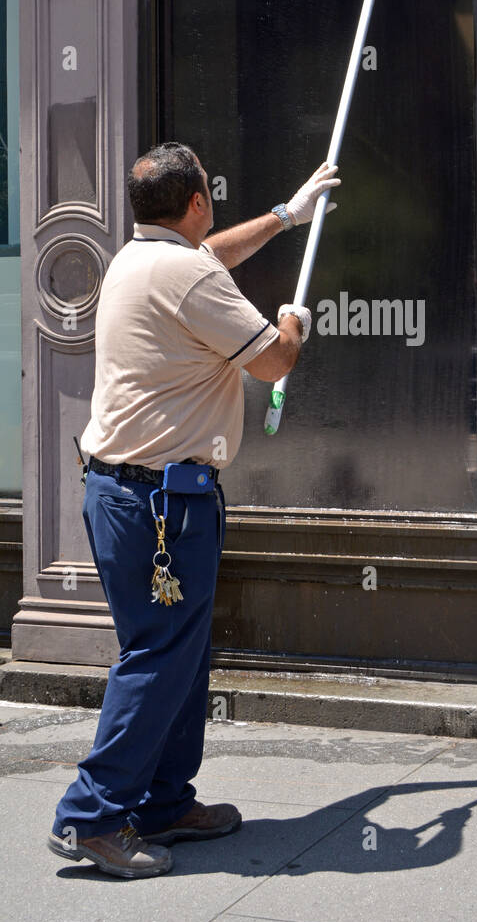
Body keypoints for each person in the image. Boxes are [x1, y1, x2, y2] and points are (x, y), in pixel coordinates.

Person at [48, 142, 340, 879]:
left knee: (176, 653)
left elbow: (208, 255)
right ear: (199, 200)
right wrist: (291, 319)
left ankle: (163, 802)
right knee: (158, 656)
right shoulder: (185, 273)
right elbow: (272, 360)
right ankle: (90, 817)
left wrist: (282, 216)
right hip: (160, 503)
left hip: (128, 493)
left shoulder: (137, 261)